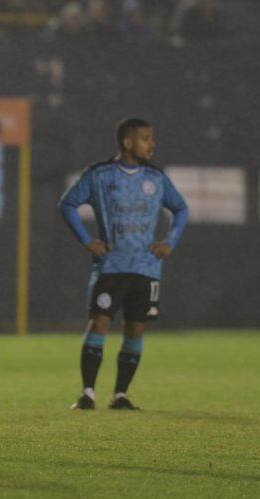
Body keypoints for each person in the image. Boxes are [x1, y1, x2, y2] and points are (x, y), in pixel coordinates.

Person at [58, 118, 188, 411]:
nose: (152, 144)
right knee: (100, 322)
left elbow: (181, 208)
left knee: (135, 328)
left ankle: (120, 395)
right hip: (111, 266)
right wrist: (87, 240)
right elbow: (67, 204)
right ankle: (88, 393)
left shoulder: (156, 179)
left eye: (152, 138)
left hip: (146, 267)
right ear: (128, 142)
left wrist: (169, 242)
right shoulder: (99, 175)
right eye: (146, 138)